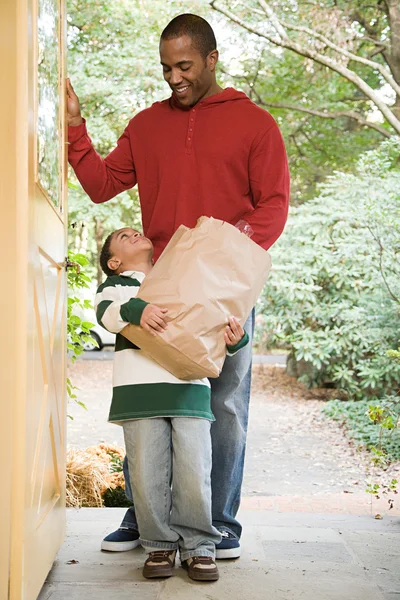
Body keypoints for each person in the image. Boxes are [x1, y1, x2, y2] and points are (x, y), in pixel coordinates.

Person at [67, 13, 290, 559]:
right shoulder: (146, 125)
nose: (174, 78)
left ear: (212, 60)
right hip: (158, 292)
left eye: (185, 66)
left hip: (222, 293)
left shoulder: (256, 125)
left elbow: (274, 206)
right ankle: (145, 518)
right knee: (148, 407)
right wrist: (74, 127)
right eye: (166, 67)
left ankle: (217, 524)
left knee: (224, 405)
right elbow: (102, 185)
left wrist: (226, 253)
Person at [95, 226, 249, 581]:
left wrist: (234, 340)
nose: (133, 232)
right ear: (114, 261)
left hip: (189, 388)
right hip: (139, 392)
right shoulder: (118, 286)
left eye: (135, 230)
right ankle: (158, 545)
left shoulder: (182, 277)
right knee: (148, 473)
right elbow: (106, 313)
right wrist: (137, 311)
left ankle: (199, 547)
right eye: (122, 235)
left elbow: (209, 326)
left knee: (194, 470)